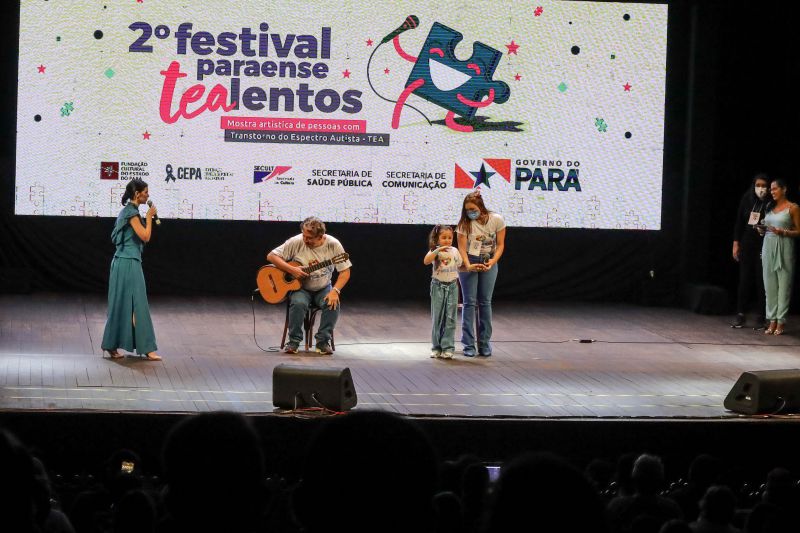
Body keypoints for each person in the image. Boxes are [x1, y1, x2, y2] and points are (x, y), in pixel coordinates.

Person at [267, 216, 352, 354]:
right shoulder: (296, 241)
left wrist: (335, 291)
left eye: (309, 238)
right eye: (304, 235)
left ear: (320, 236)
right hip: (301, 288)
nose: (305, 240)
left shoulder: (333, 245)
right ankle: (293, 342)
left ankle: (322, 342)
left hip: (323, 287)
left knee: (332, 303)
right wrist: (292, 269)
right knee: (298, 303)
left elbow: (345, 272)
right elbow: (271, 256)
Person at [101, 178, 161, 360]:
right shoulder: (131, 214)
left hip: (125, 262)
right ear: (137, 194)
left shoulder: (129, 212)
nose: (148, 194)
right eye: (146, 192)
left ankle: (114, 346)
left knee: (124, 303)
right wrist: (149, 217)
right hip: (127, 263)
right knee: (138, 304)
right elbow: (145, 236)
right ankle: (147, 348)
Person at [456, 191, 506, 357]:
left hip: (488, 260)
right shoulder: (464, 224)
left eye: (472, 209)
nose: (470, 212)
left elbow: (500, 245)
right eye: (467, 210)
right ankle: (468, 345)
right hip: (469, 260)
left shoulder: (497, 219)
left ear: (481, 207)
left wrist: (492, 262)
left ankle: (484, 344)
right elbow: (461, 248)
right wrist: (468, 265)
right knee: (469, 303)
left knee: (485, 302)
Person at [759, 179, 800, 335]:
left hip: (784, 246)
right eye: (771, 189)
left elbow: (798, 231)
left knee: (784, 286)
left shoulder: (793, 208)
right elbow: (766, 227)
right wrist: (762, 230)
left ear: (784, 189)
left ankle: (781, 321)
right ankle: (771, 320)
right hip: (768, 246)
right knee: (769, 286)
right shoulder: (769, 207)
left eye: (775, 189)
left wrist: (783, 232)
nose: (772, 191)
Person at [731, 174, 769, 329]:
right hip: (747, 244)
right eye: (758, 185)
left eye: (764, 185)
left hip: (764, 244)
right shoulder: (747, 198)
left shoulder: (770, 203)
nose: (761, 188)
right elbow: (739, 222)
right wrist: (736, 243)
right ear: (754, 185)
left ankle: (762, 316)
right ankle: (740, 314)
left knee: (761, 281)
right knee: (744, 280)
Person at [423, 225, 462, 359]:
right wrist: (437, 249)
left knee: (450, 318)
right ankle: (436, 347)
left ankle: (448, 347)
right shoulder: (435, 251)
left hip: (452, 286)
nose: (447, 240)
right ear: (437, 238)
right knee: (437, 317)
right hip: (438, 286)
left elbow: (459, 264)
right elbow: (426, 261)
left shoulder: (455, 251)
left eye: (450, 238)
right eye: (443, 237)